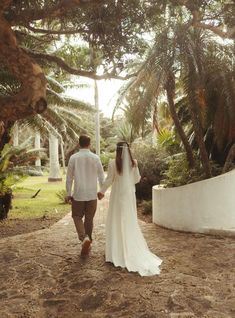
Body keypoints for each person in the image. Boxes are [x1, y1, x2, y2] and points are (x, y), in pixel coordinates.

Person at [97, 141, 162, 276]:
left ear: (117, 151)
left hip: (117, 195)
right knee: (129, 220)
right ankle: (128, 249)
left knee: (116, 219)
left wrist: (102, 191)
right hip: (128, 195)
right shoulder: (134, 163)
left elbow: (109, 179)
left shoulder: (112, 163)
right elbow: (136, 179)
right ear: (128, 150)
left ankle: (116, 252)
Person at [66, 135, 105, 256]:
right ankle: (88, 240)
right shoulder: (95, 158)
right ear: (89, 144)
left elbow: (69, 178)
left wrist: (68, 193)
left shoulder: (74, 158)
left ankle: (84, 239)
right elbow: (101, 176)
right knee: (89, 218)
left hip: (78, 193)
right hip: (92, 193)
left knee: (77, 216)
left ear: (79, 144)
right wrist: (102, 191)